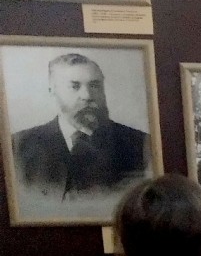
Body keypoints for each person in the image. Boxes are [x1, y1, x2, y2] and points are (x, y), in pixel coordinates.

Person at [12, 52, 149, 201]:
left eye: (94, 85)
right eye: (74, 86)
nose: (87, 96)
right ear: (52, 90)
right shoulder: (18, 146)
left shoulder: (139, 144)